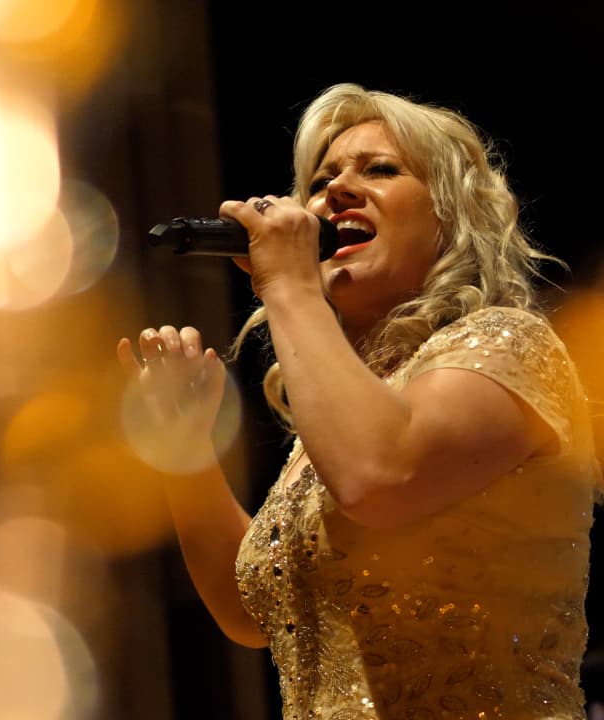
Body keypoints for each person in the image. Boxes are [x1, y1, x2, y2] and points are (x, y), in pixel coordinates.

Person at [116, 83, 603, 719]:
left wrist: (288, 288)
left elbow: (380, 475)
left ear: (449, 215)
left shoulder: (507, 345)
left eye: (379, 169)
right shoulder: (350, 412)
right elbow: (251, 615)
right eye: (321, 181)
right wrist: (184, 452)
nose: (335, 192)